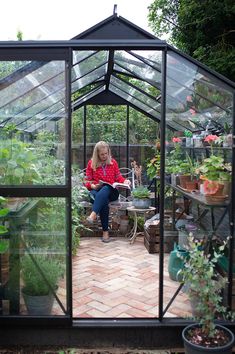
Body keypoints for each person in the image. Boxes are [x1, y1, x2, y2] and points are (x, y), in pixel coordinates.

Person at [84, 141, 131, 243]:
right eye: (102, 154)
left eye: (106, 153)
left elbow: (119, 178)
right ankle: (105, 233)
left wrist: (125, 181)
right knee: (103, 200)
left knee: (106, 188)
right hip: (96, 191)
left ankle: (93, 214)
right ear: (97, 154)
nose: (105, 156)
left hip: (112, 192)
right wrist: (92, 185)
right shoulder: (91, 164)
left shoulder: (113, 162)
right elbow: (87, 181)